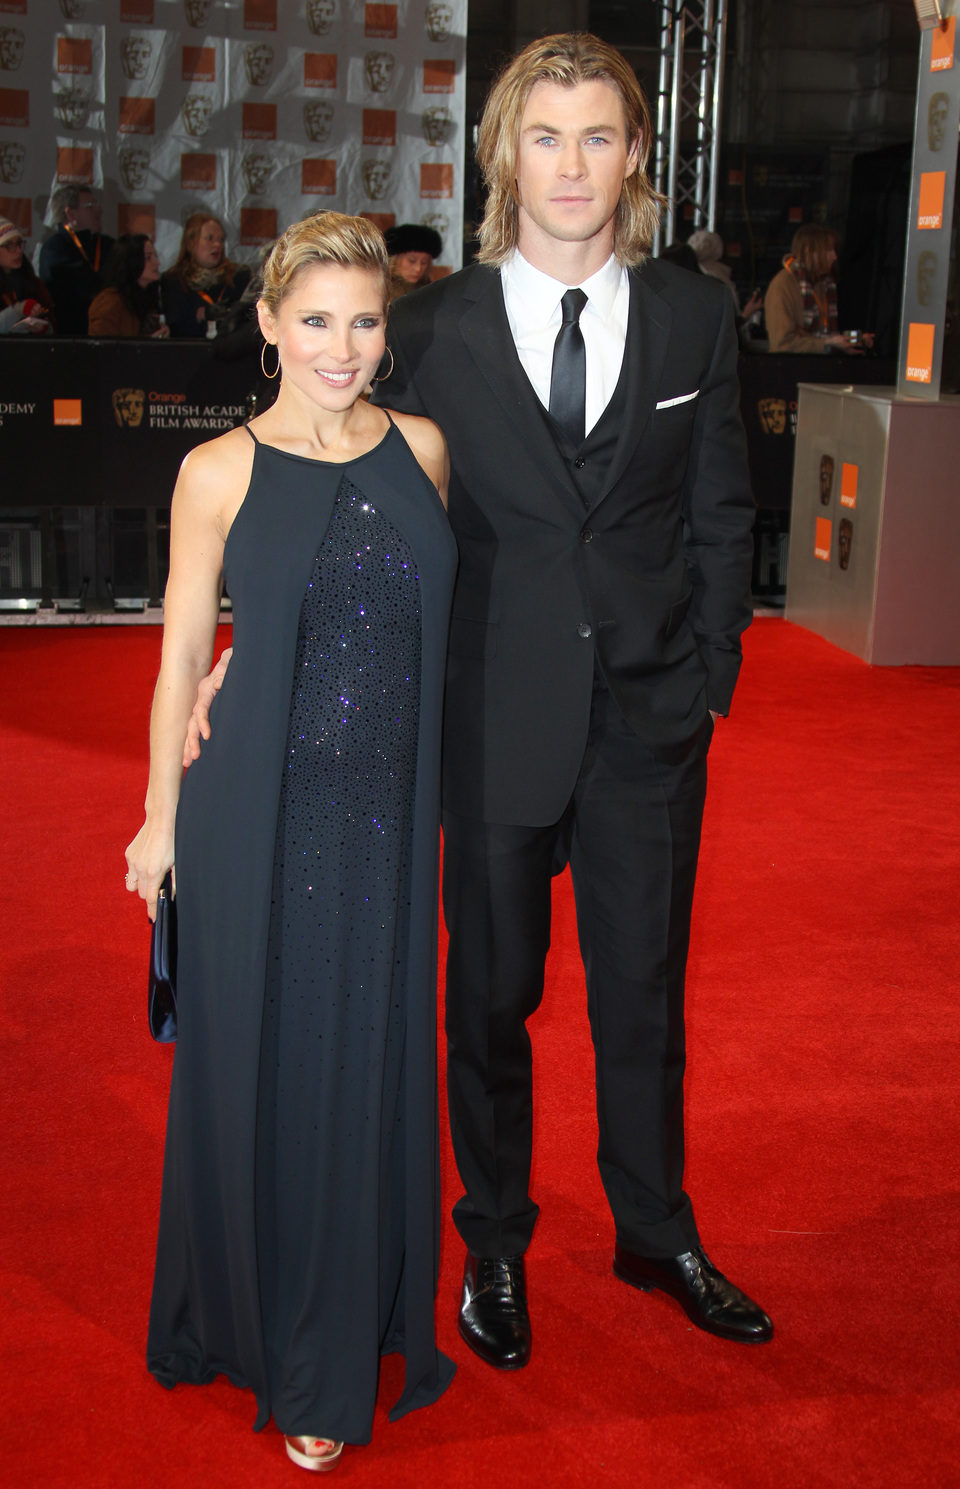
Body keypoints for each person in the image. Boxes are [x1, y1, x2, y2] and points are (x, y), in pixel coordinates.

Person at [189, 31, 773, 1368]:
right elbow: (338, 477)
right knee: (489, 1001)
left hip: (648, 725)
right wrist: (251, 637)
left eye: (600, 136)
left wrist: (712, 678)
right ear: (506, 153)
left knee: (645, 991)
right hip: (484, 717)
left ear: (637, 157)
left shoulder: (694, 316)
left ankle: (656, 1228)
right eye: (546, 136)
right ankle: (494, 1244)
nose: (573, 165)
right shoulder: (435, 326)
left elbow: (721, 507)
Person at [124, 211, 456, 1472]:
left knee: (358, 1070)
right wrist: (161, 817)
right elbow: (176, 660)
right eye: (314, 319)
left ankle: (352, 1304)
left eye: (364, 320)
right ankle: (304, 1355)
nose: (342, 345)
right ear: (266, 324)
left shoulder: (423, 450)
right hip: (257, 815)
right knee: (270, 1068)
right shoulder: (216, 470)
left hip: (384, 827)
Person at [764, 224, 869, 353]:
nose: (834, 257)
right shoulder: (783, 285)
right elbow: (782, 344)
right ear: (809, 251)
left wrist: (853, 341)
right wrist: (827, 344)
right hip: (791, 370)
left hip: (818, 367)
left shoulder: (822, 284)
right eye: (829, 250)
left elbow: (821, 336)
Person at [161, 213, 252, 337]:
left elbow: (246, 321)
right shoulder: (174, 280)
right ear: (190, 243)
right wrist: (203, 315)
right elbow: (176, 324)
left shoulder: (239, 277)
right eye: (210, 238)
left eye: (220, 240)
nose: (217, 245)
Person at [38, 186, 114, 334]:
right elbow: (77, 290)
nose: (99, 210)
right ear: (71, 214)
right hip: (69, 338)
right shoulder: (54, 249)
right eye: (90, 206)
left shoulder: (108, 245)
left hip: (108, 333)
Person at [87, 234, 169, 337]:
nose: (157, 262)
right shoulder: (110, 302)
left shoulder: (146, 297)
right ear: (131, 261)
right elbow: (102, 347)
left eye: (155, 256)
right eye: (148, 258)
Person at [0, 217, 54, 334]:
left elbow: (53, 329)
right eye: (9, 245)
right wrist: (20, 309)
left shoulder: (33, 283)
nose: (18, 251)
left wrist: (43, 328)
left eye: (19, 244)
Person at [384, 223, 443, 298]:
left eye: (424, 262)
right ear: (394, 260)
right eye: (411, 261)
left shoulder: (432, 293)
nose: (418, 268)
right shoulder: (379, 290)